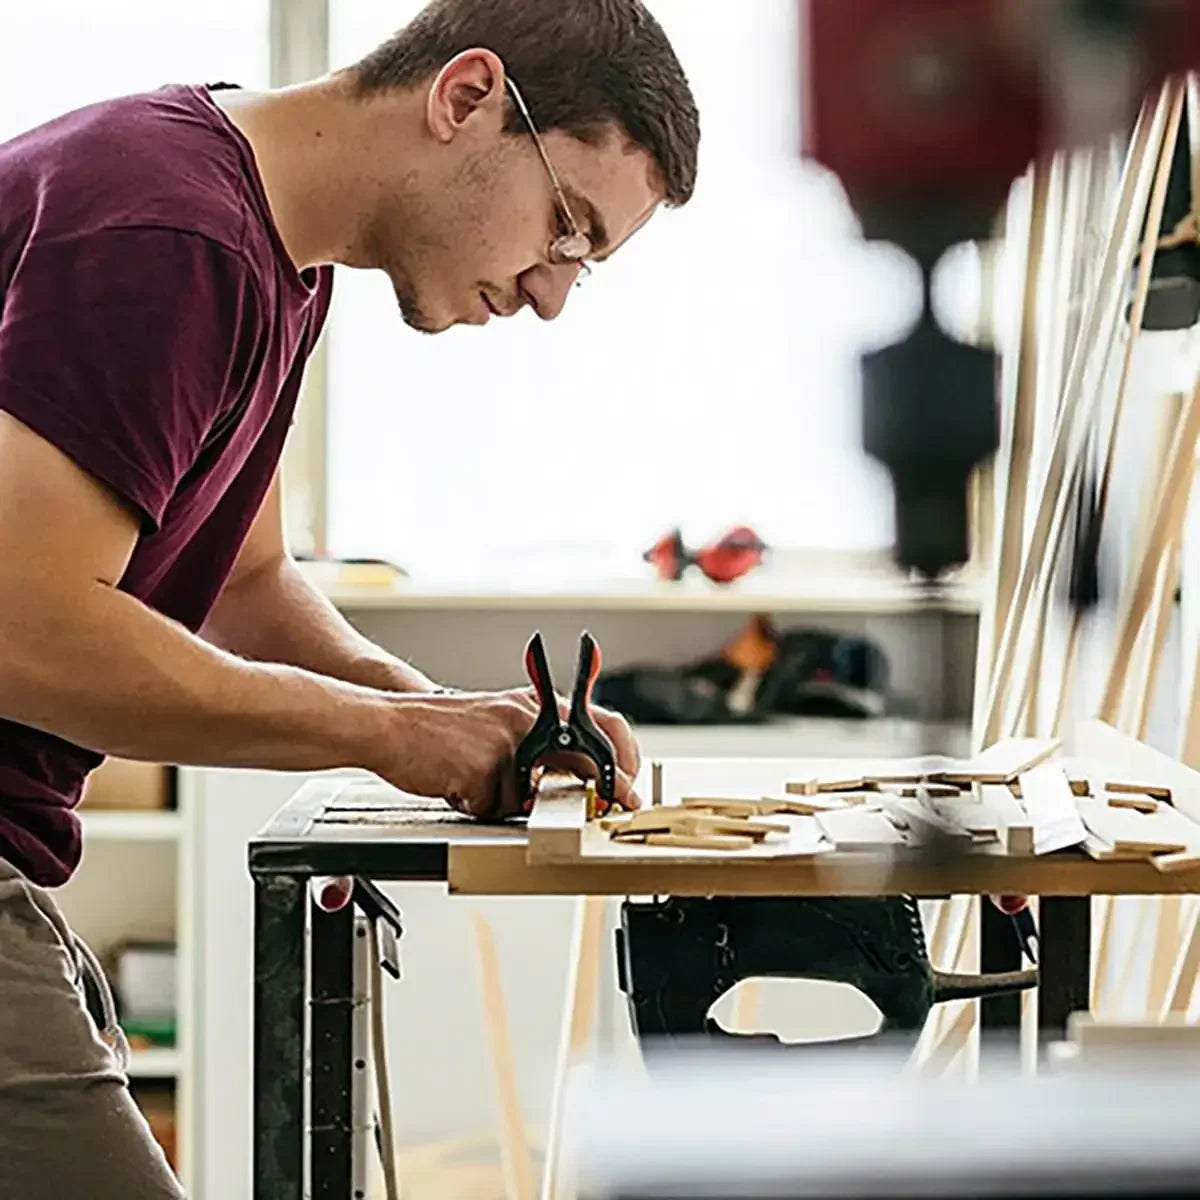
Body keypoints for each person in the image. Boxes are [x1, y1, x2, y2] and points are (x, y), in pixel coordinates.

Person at [0, 0, 700, 1194]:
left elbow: (248, 583)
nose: (548, 294)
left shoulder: (273, 255)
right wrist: (393, 737)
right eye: (567, 231)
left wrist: (447, 714)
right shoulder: (176, 233)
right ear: (466, 96)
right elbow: (24, 621)